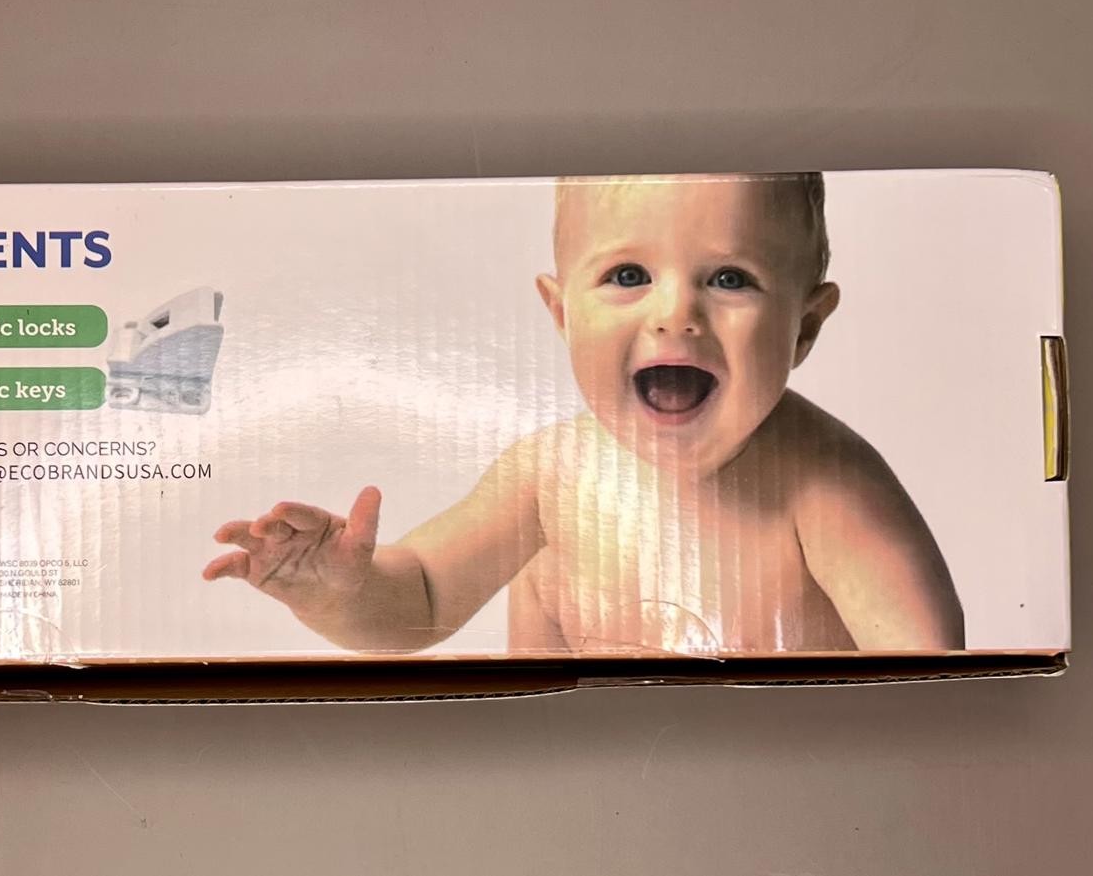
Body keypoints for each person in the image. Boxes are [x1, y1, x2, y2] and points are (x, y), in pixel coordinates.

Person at [204, 174, 965, 655]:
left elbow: (932, 681)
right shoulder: (547, 478)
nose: (676, 313)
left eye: (730, 278)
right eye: (628, 275)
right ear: (562, 313)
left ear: (804, 327)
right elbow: (425, 596)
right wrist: (342, 593)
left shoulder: (828, 489)